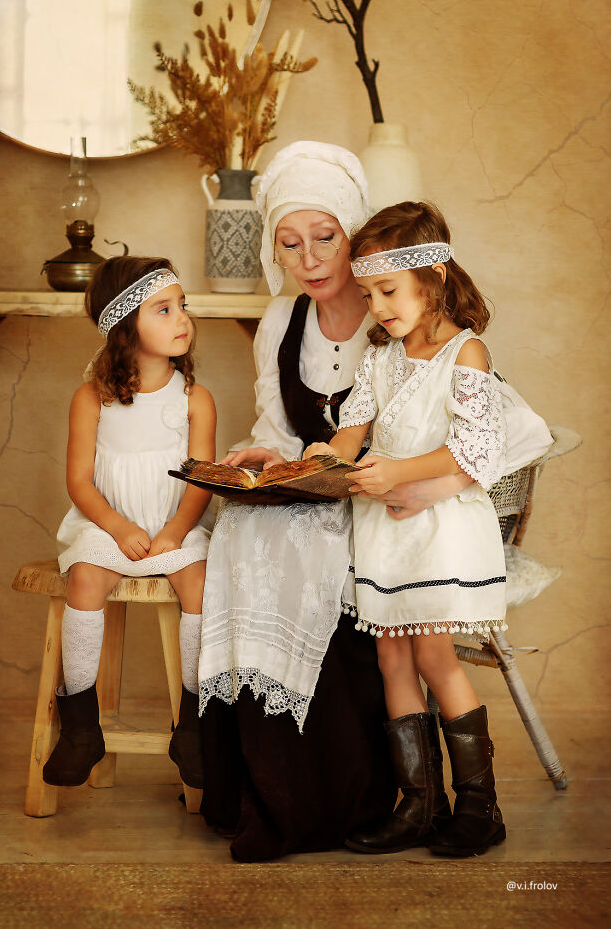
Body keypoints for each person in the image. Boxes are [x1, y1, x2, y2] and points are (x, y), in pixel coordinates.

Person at [197, 142, 476, 862]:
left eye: (326, 238)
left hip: (396, 502)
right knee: (242, 535)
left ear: (357, 232)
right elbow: (294, 430)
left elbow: (448, 436)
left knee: (310, 552)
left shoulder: (398, 327)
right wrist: (270, 458)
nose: (311, 258)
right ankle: (264, 786)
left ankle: (370, 795)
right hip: (326, 486)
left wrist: (364, 469)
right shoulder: (281, 323)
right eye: (290, 244)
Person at [304, 201, 508, 858]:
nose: (378, 307)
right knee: (391, 655)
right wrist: (324, 457)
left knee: (431, 656)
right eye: (367, 294)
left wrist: (394, 471)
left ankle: (482, 807)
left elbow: (472, 454)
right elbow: (351, 433)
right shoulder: (381, 359)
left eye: (388, 291)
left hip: (440, 529)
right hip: (388, 534)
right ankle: (419, 803)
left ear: (435, 276)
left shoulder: (465, 352)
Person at [44, 256, 216, 791]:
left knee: (201, 584)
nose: (182, 318)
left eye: (182, 305)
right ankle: (79, 725)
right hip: (108, 525)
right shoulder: (91, 399)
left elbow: (200, 479)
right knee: (86, 579)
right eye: (164, 309)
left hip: (172, 525)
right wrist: (117, 527)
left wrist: (174, 532)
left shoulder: (195, 401)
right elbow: (79, 482)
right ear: (125, 328)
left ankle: (191, 726)